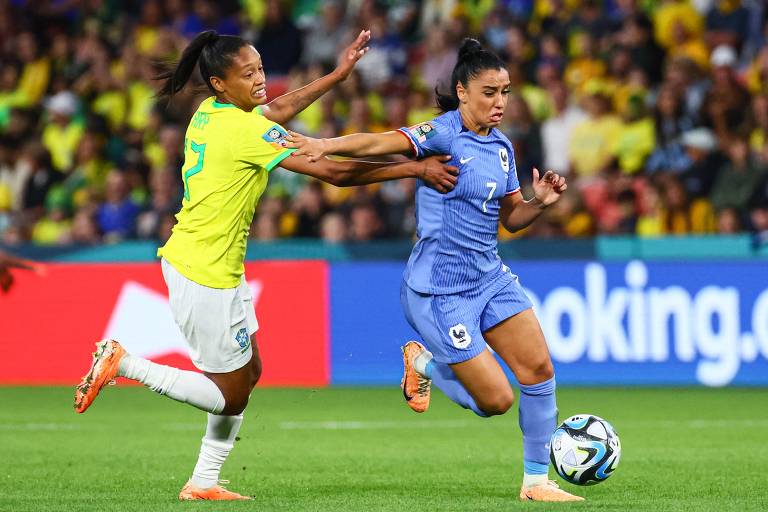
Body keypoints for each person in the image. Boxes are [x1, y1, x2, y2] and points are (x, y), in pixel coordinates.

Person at [72, 30, 458, 501]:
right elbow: (332, 172)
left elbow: (275, 112)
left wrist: (336, 76)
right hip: (204, 274)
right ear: (218, 82)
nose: (261, 80)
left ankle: (204, 482)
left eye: (259, 68)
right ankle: (124, 363)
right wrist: (415, 168)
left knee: (249, 372)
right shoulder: (244, 130)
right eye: (248, 74)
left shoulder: (212, 114)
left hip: (211, 265)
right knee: (229, 394)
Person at [287, 38, 582, 502]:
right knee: (496, 402)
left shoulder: (502, 148)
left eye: (504, 91)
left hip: (490, 278)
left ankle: (536, 483)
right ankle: (423, 360)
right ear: (462, 92)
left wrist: (539, 202)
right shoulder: (444, 133)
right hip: (439, 291)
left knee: (540, 370)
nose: (499, 102)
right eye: (489, 92)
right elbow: (384, 142)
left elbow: (511, 218)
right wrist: (324, 144)